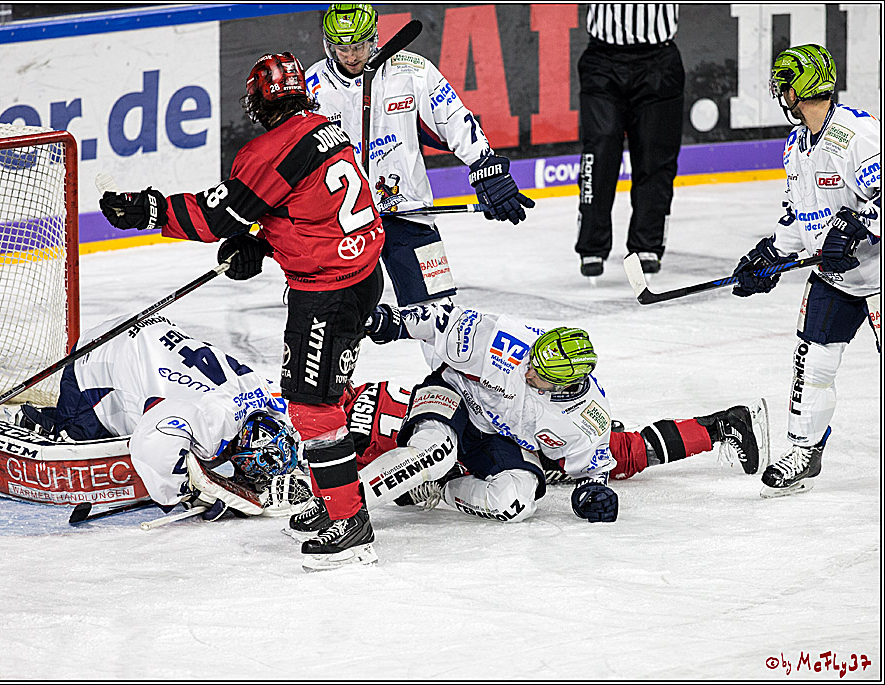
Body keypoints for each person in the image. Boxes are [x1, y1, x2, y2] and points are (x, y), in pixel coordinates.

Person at [97, 52, 384, 570]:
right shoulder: (328, 129)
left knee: (310, 408)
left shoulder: (267, 151)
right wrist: (264, 243)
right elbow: (311, 210)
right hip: (362, 275)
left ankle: (349, 524)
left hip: (327, 294)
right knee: (326, 396)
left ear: (256, 100)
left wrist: (149, 209)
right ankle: (332, 499)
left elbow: (215, 216)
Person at [290, 300, 770, 530]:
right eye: (533, 360)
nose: (529, 370)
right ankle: (340, 507)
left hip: (507, 443)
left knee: (516, 504)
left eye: (540, 374)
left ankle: (442, 488)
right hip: (453, 397)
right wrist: (385, 321)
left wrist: (592, 496)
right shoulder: (506, 339)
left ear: (566, 385)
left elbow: (599, 466)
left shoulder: (586, 421)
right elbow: (437, 320)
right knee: (433, 450)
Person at [305, 3, 534, 307]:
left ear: (374, 38)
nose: (350, 56)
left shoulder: (413, 70)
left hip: (410, 213)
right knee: (337, 322)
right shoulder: (312, 85)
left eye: (358, 46)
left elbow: (455, 119)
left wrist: (486, 165)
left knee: (440, 317)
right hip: (341, 225)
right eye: (341, 48)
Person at [729, 44, 880, 498]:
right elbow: (802, 216)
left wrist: (856, 228)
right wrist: (768, 255)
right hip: (835, 278)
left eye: (784, 84)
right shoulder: (797, 146)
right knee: (812, 365)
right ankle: (804, 451)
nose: (780, 92)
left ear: (801, 88)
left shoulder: (857, 135)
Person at [14, 313, 305, 520]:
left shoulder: (265, 396)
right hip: (98, 357)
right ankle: (40, 422)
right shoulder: (210, 420)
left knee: (172, 424)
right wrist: (187, 492)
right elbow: (150, 443)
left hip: (145, 333)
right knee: (87, 436)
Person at [575, 3, 684, 277]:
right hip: (603, 58)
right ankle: (592, 244)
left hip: (658, 59)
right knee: (599, 149)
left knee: (655, 156)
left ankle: (647, 243)